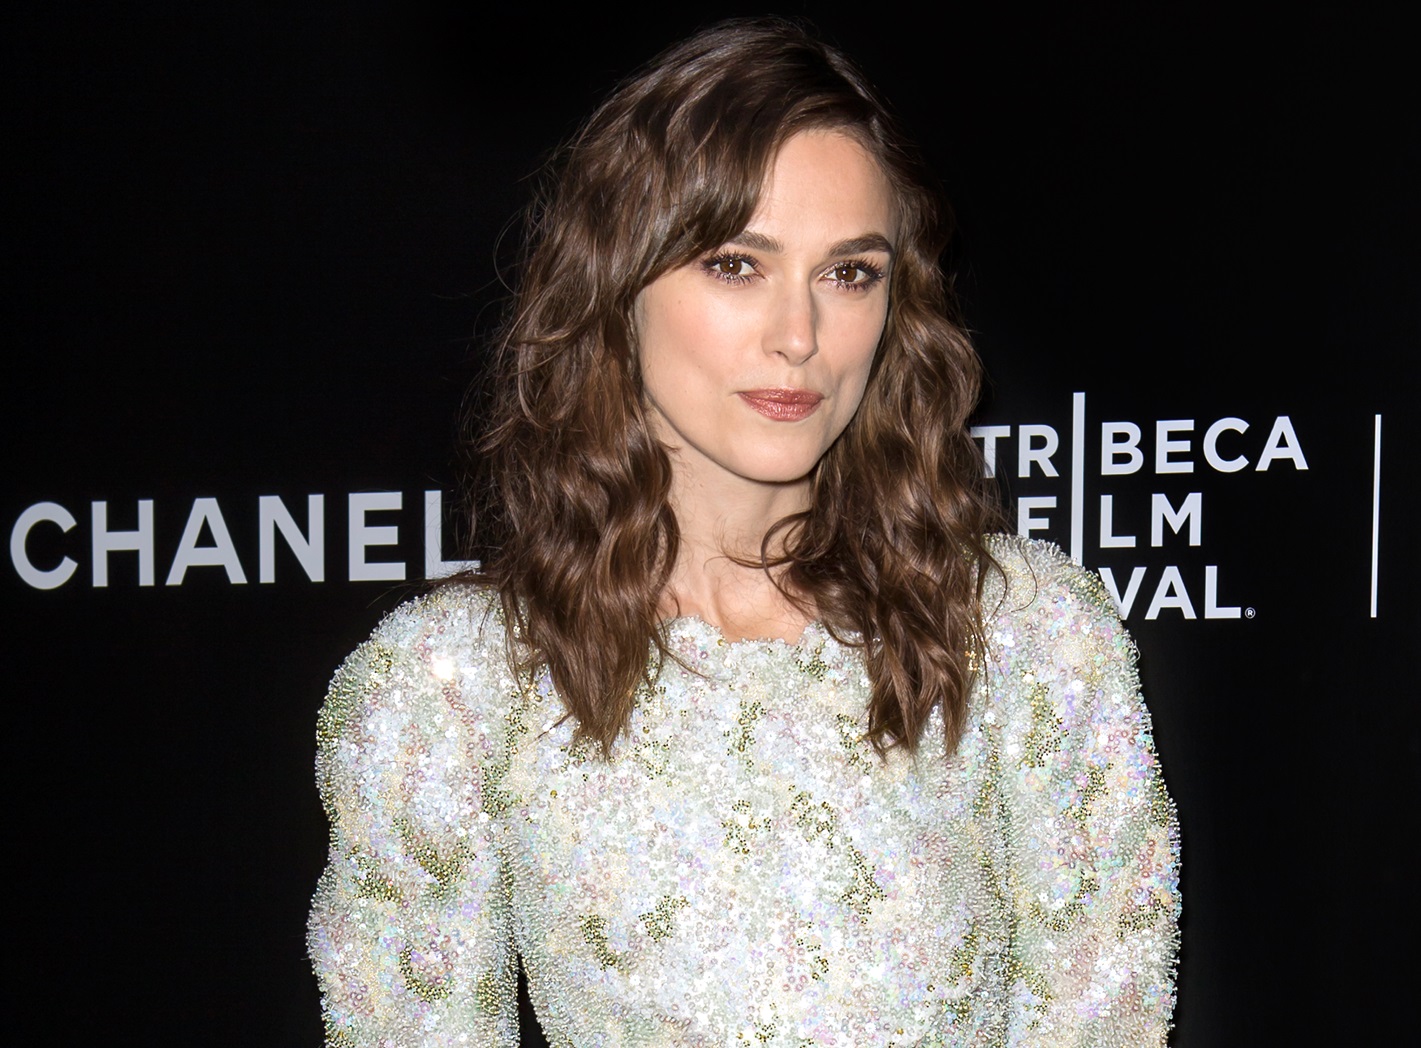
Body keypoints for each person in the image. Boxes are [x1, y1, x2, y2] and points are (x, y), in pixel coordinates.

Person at [308, 18, 1180, 1047]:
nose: (799, 334)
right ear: (615, 290)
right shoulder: (449, 690)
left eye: (848, 272)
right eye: (735, 264)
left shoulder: (1027, 639)